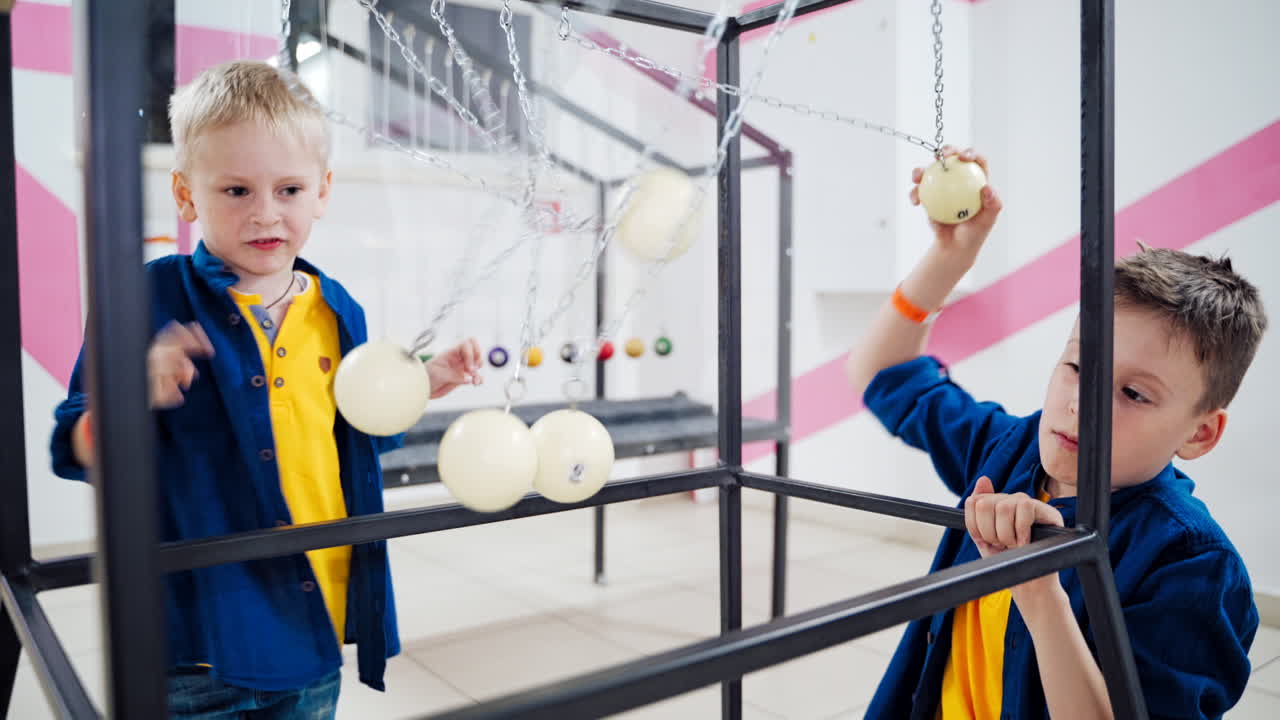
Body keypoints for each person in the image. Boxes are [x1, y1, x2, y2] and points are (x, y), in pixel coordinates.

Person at [50, 60, 484, 718]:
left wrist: (425, 381)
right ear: (187, 195)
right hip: (197, 645)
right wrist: (126, 398)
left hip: (315, 627)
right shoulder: (147, 295)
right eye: (235, 191)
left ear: (323, 191)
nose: (265, 214)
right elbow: (70, 443)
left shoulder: (339, 309)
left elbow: (354, 433)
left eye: (288, 189)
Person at [846, 148, 1264, 719]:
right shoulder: (1009, 449)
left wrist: (1041, 592)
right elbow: (881, 374)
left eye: (1134, 394)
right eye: (1076, 366)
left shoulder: (1193, 567)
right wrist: (950, 258)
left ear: (1199, 434)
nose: (1082, 405)